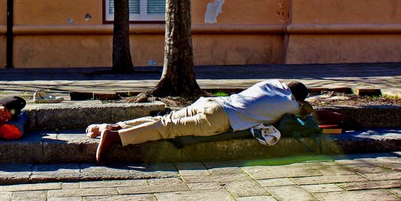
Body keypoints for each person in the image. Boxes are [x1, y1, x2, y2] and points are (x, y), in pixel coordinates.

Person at [89, 80, 314, 164]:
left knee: (165, 119)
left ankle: (115, 126)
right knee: (167, 129)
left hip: (210, 103)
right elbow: (307, 111)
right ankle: (116, 137)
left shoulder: (270, 84)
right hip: (220, 118)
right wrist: (302, 103)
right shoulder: (290, 103)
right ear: (297, 97)